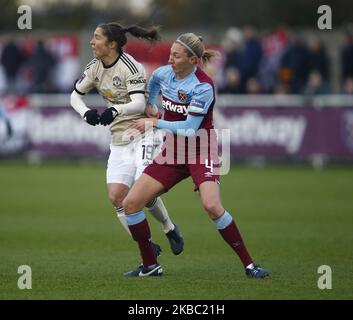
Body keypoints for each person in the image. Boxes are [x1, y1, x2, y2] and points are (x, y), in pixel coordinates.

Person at [122, 33, 269, 278]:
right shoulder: (162, 74)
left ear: (193, 60)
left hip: (201, 148)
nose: (170, 59)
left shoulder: (203, 86)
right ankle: (150, 265)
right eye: (170, 53)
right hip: (173, 152)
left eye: (176, 56)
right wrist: (151, 105)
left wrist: (153, 123)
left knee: (212, 205)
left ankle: (249, 265)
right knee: (131, 203)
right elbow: (153, 89)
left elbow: (190, 129)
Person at [69, 22, 184, 258]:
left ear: (112, 45)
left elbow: (140, 104)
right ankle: (147, 244)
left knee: (144, 192)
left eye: (97, 37)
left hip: (143, 133)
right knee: (116, 198)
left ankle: (169, 227)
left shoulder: (131, 67)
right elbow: (75, 96)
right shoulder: (94, 68)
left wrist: (115, 111)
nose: (92, 42)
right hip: (119, 137)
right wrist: (85, 112)